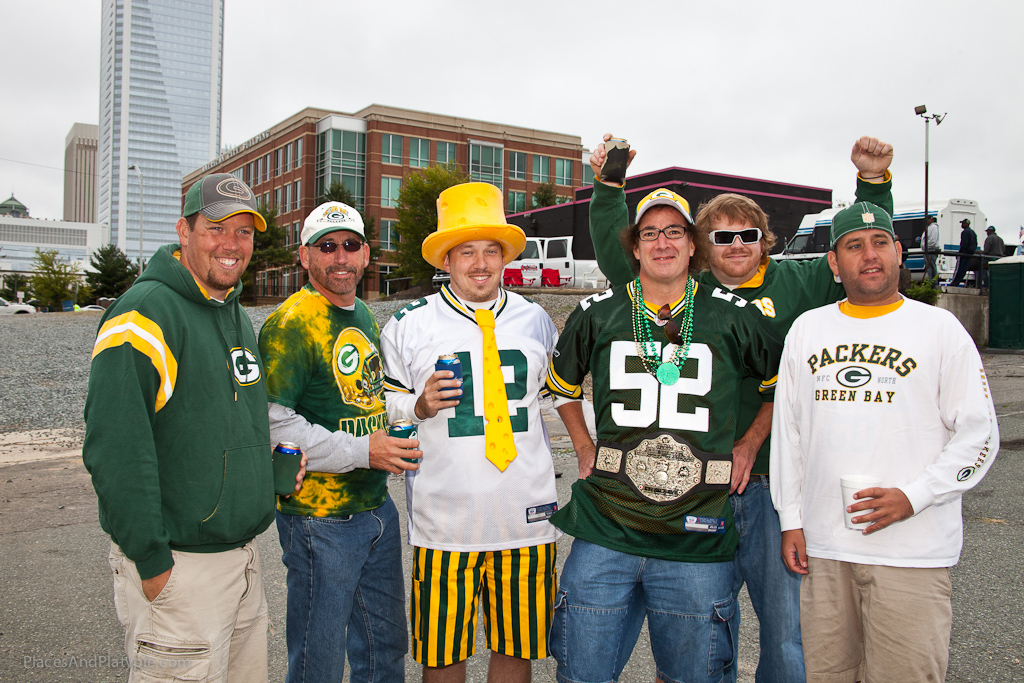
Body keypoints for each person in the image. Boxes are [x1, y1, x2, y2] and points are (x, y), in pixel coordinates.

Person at [587, 133, 893, 683]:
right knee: (696, 624)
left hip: (778, 482)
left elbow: (866, 252)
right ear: (701, 244)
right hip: (700, 484)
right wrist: (609, 187)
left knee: (785, 628)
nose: (734, 245)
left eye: (747, 235)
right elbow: (618, 255)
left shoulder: (801, 282)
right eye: (719, 235)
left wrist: (872, 183)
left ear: (765, 240)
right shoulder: (687, 287)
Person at [546, 180, 784, 683]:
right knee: (581, 672)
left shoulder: (735, 314)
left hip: (698, 528)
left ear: (693, 243)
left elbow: (779, 386)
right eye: (649, 233)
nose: (662, 243)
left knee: (693, 677)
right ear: (634, 246)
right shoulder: (599, 311)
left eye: (674, 231)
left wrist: (750, 442)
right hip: (608, 520)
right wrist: (585, 446)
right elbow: (560, 385)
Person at [770, 201, 999, 683]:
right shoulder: (807, 330)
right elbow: (789, 436)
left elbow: (979, 435)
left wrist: (915, 497)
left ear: (899, 252)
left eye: (879, 244)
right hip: (826, 549)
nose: (868, 255)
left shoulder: (939, 330)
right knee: (829, 674)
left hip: (911, 551)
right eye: (853, 246)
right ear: (834, 263)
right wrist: (791, 519)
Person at [83, 172, 287, 681]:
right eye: (217, 228)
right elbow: (115, 449)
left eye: (245, 232)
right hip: (180, 570)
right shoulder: (143, 314)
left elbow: (223, 428)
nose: (232, 244)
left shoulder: (234, 314)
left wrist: (264, 479)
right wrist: (153, 564)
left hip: (240, 562)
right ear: (184, 230)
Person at [379, 182, 560, 683]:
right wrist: (417, 405)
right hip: (444, 520)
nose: (479, 264)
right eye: (466, 251)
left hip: (525, 513)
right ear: (447, 258)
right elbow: (386, 410)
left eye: (490, 251)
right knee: (441, 654)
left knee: (516, 649)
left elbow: (555, 400)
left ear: (504, 256)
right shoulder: (407, 325)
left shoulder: (537, 320)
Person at [258, 201, 411, 683]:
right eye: (327, 247)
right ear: (304, 257)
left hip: (375, 508)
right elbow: (275, 425)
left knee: (385, 649)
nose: (340, 257)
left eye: (350, 245)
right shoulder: (291, 324)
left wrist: (414, 414)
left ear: (366, 254)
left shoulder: (363, 314)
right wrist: (366, 451)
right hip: (319, 520)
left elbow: (367, 399)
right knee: (317, 661)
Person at [950, 218, 978, 287]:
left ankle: (954, 283)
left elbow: (964, 243)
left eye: (963, 223)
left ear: (967, 224)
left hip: (964, 254)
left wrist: (960, 252)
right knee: (963, 270)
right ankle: (956, 283)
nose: (962, 225)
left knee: (959, 269)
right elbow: (975, 244)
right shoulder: (973, 233)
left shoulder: (965, 232)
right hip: (970, 254)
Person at [981, 225, 1006, 290]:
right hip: (999, 259)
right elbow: (1003, 250)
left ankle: (986, 285)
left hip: (990, 258)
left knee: (984, 269)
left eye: (987, 231)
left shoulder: (989, 238)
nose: (987, 233)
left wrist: (982, 253)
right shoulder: (1000, 239)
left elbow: (986, 250)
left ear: (990, 231)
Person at [923, 215, 941, 280]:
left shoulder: (933, 227)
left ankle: (933, 281)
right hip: (928, 249)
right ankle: (930, 280)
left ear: (931, 220)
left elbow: (933, 240)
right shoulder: (929, 227)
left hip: (931, 249)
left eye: (928, 219)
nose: (926, 221)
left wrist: (926, 246)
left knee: (932, 266)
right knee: (929, 267)